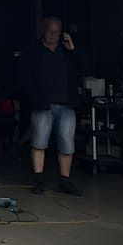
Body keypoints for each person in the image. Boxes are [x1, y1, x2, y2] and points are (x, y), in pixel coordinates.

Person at [21, 16, 83, 196]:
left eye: (57, 31)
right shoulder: (33, 52)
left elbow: (85, 68)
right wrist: (34, 97)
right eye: (50, 30)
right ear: (43, 31)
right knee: (39, 142)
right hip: (43, 105)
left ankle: (65, 180)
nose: (53, 34)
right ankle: (38, 180)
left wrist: (73, 50)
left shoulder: (67, 52)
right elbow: (24, 78)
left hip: (67, 105)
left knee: (67, 144)